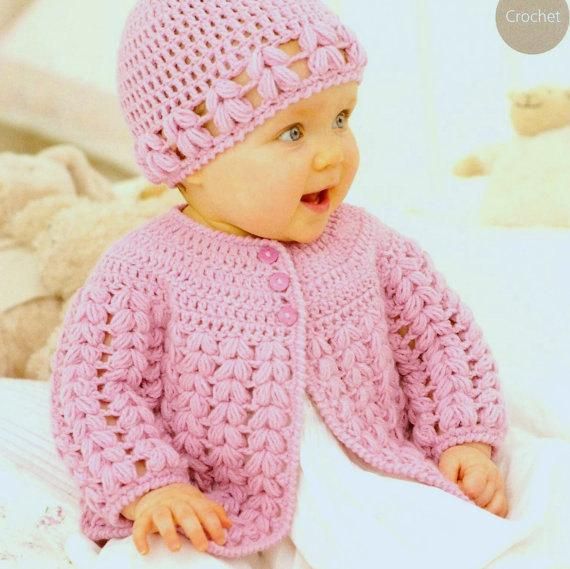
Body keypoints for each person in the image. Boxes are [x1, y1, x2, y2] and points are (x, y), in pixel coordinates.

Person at [50, 1, 520, 567]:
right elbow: (95, 393)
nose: (332, 153)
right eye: (293, 132)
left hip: (368, 478)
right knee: (158, 558)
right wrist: (152, 486)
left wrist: (462, 437)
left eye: (342, 119)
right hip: (217, 509)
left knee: (461, 540)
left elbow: (441, 340)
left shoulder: (366, 243)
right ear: (190, 155)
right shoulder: (141, 270)